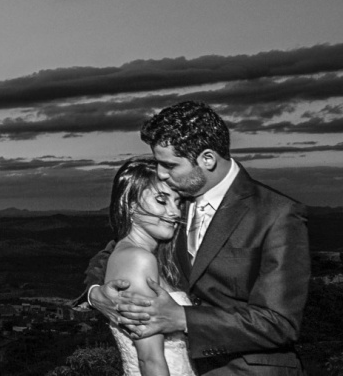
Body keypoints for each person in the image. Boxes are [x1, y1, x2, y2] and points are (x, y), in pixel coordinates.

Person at [86, 101, 310, 376]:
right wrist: (95, 294)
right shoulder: (173, 207)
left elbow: (280, 323)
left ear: (207, 159)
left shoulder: (277, 214)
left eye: (169, 164)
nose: (160, 173)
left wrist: (182, 318)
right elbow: (115, 253)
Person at [104, 157, 195, 376]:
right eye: (162, 201)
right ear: (131, 205)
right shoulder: (137, 259)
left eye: (178, 202)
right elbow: (150, 361)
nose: (175, 212)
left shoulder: (146, 258)